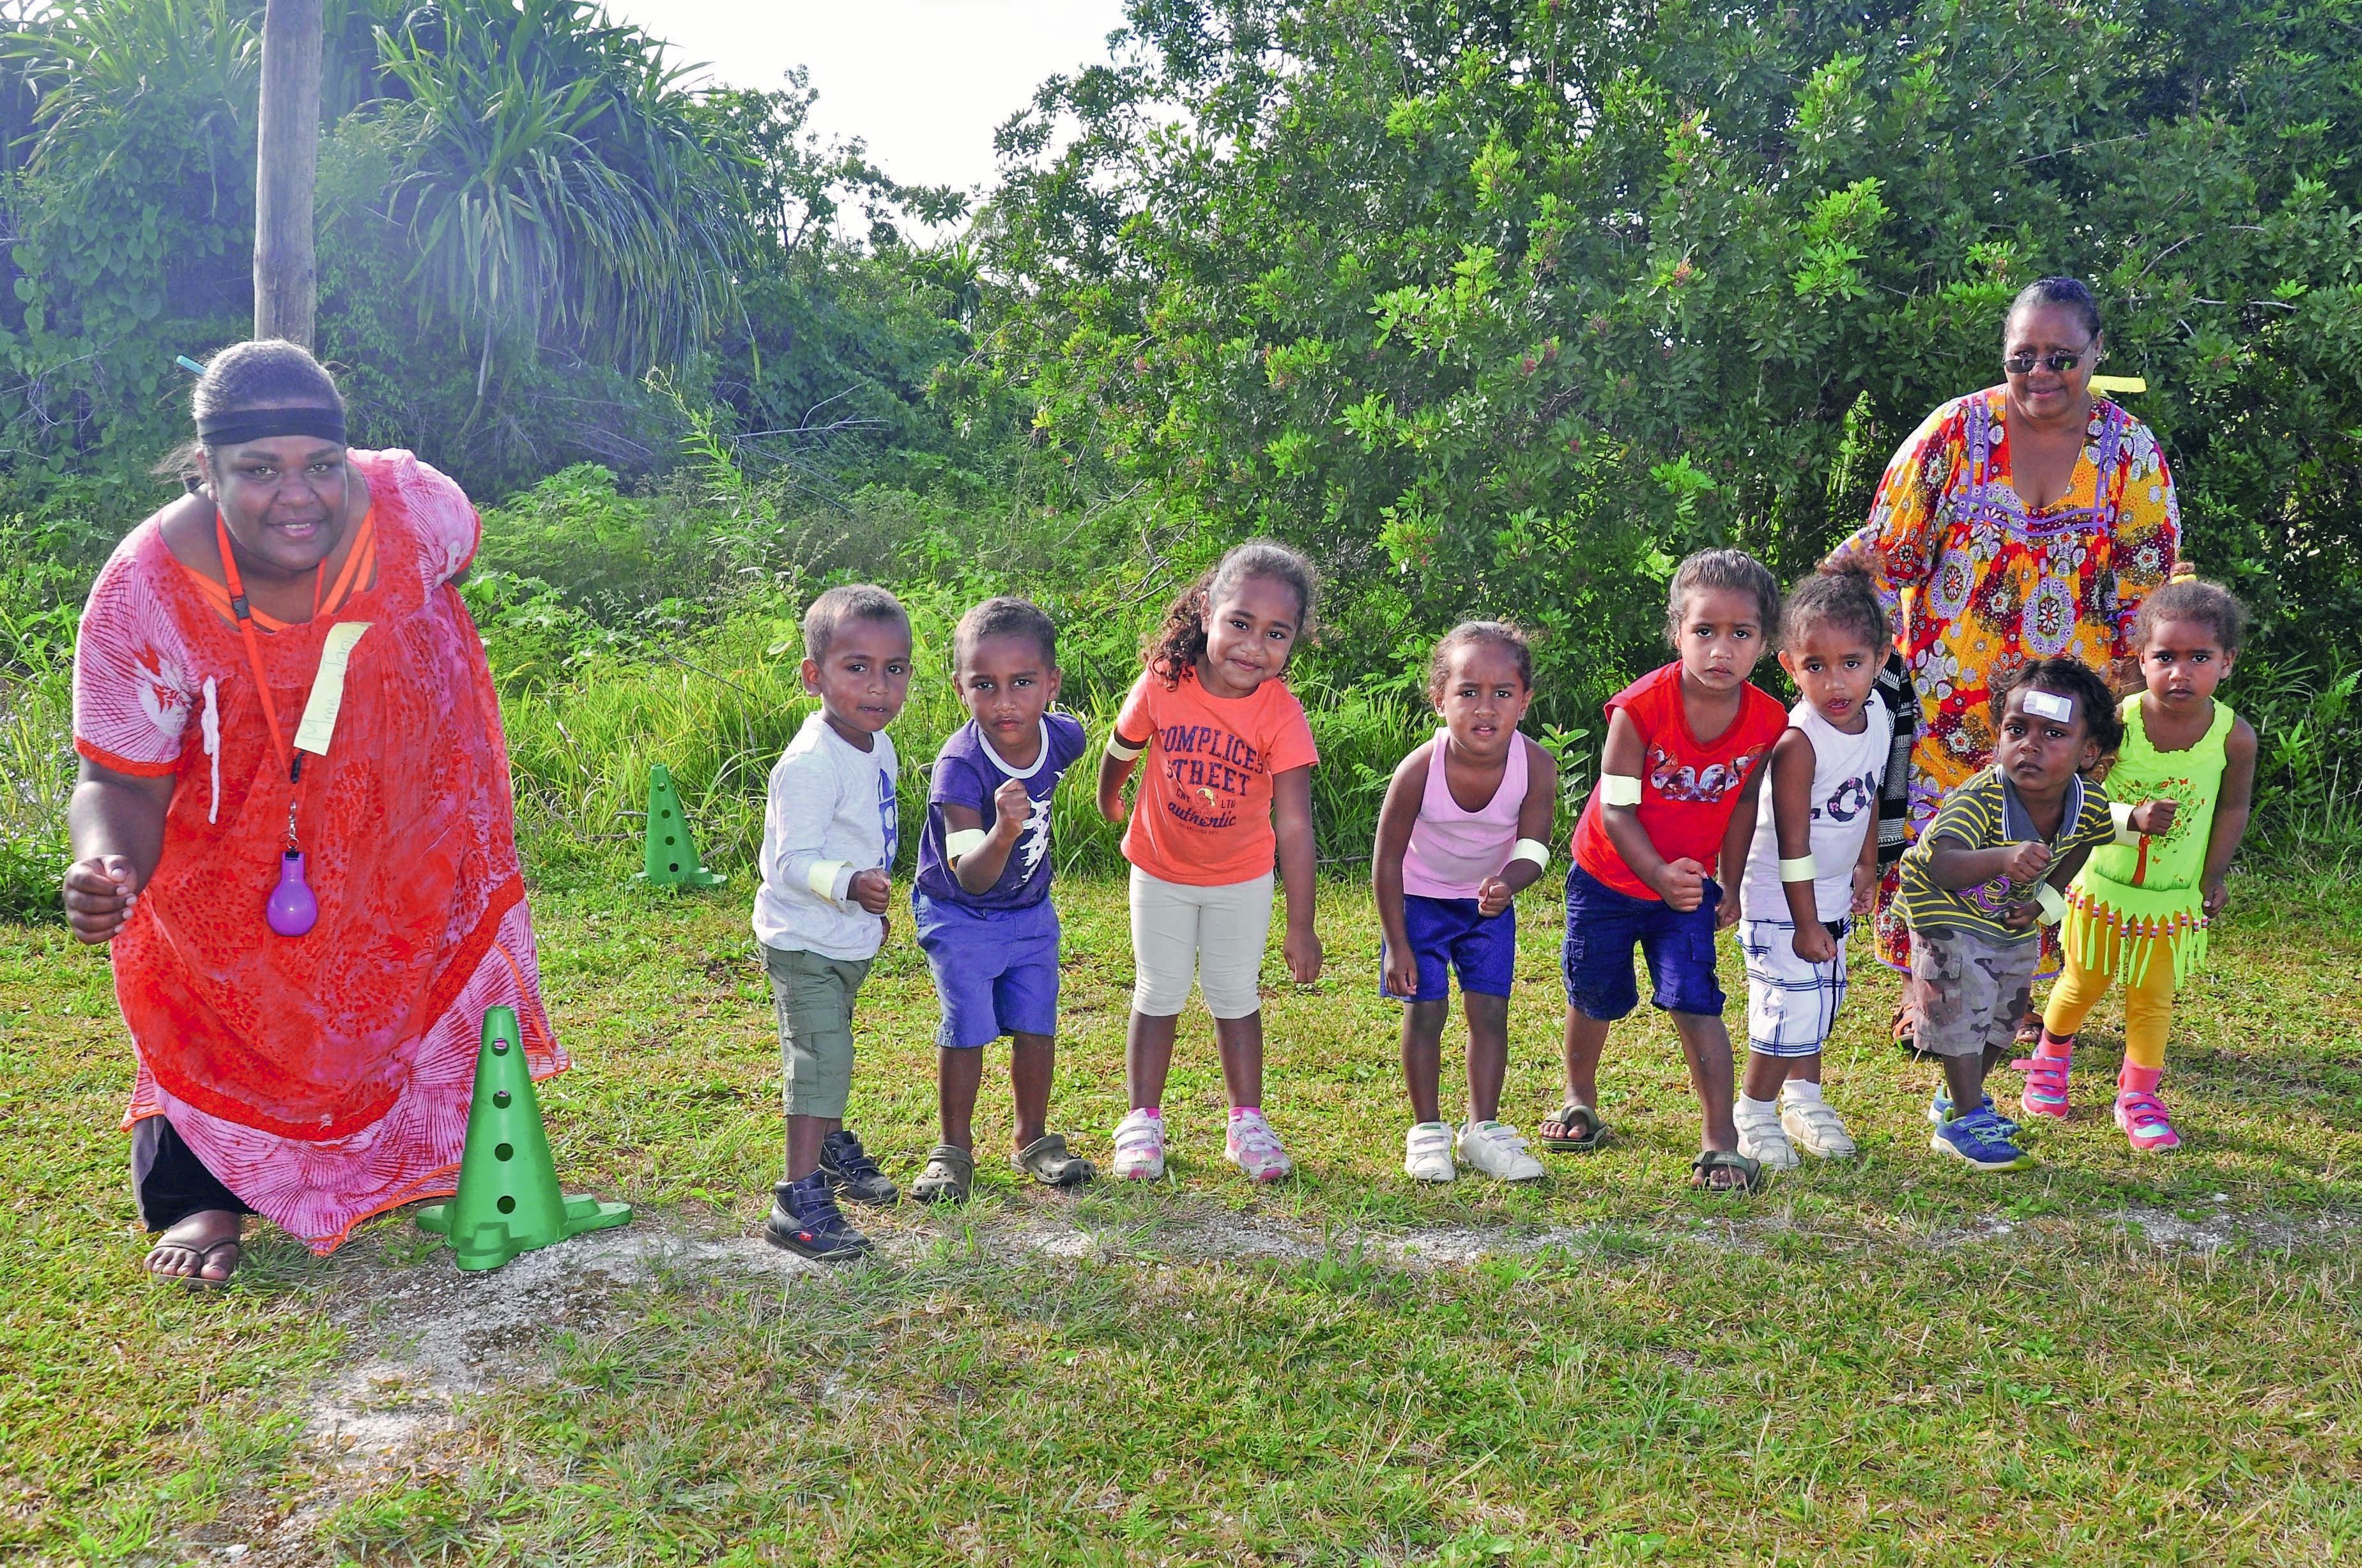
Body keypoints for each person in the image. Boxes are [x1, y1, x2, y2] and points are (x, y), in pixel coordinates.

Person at [62, 339, 560, 1284]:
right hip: (231, 821)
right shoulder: (145, 593)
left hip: (401, 795)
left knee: (405, 957)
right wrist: (106, 863)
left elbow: (454, 565)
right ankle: (199, 1191)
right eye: (259, 471)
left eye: (321, 466)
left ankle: (426, 1152)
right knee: (210, 980)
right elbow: (118, 779)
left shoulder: (419, 508)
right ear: (205, 470)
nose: (299, 496)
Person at [1836, 277, 2181, 1047]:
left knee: (2041, 838)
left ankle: (2018, 993)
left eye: (2062, 356)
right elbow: (1885, 553)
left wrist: (2138, 687)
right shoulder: (1954, 431)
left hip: (2062, 705)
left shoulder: (2130, 451)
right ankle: (1928, 989)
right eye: (2023, 356)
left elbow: (2148, 581)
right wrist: (1848, 652)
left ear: (2097, 353)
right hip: (1950, 695)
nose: (2041, 374)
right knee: (1941, 838)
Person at [1539, 549, 1788, 1193]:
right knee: (1595, 993)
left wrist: (1726, 880)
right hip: (1608, 877)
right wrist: (1655, 873)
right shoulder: (1641, 708)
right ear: (1677, 630)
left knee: (1695, 997)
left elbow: (1740, 808)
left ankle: (1721, 1142)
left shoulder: (1766, 720)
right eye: (1704, 630)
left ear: (1764, 641)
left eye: (1741, 633)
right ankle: (1579, 1095)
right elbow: (1617, 810)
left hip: (1684, 888)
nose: (1720, 649)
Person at [1097, 540, 1324, 1184]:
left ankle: (1245, 1122)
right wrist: (1108, 793)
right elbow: (1121, 743)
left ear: (1292, 642)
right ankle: (1142, 1119)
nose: (1253, 646)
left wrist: (1300, 924)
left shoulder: (1281, 713)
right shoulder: (1165, 682)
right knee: (1159, 988)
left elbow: (1295, 823)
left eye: (1275, 634)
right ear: (1206, 611)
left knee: (1233, 993)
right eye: (1240, 624)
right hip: (1160, 869)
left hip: (1241, 879)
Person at [2020, 570, 2256, 1150]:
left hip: (2169, 900)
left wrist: (2213, 874)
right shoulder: (2119, 722)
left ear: (2226, 661)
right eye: (2165, 656)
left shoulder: (2233, 737)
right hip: (2102, 887)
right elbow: (2079, 794)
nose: (2181, 671)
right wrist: (2129, 817)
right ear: (2140, 658)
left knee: (2153, 998)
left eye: (2198, 656)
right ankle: (2050, 1062)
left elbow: (2232, 807)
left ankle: (2138, 1095)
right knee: (2082, 981)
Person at [907, 597, 1097, 1203]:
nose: (1005, 701)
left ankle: (1033, 1139)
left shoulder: (1061, 735)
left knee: (1036, 1021)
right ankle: (953, 1150)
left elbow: (1088, 744)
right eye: (984, 685)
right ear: (960, 686)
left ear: (1051, 685)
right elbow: (969, 874)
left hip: (1031, 913)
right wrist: (1005, 831)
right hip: (960, 913)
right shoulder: (959, 766)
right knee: (968, 1025)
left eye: (1023, 683)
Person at [1898, 660, 2123, 1171]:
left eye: (2054, 733)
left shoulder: (2087, 801)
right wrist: (2001, 858)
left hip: (2007, 918)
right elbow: (1942, 864)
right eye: (2016, 730)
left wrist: (2046, 899)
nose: (2030, 744)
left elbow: (2086, 842)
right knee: (1960, 1008)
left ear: (2088, 752)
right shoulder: (1980, 798)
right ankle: (1965, 1122)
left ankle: (1959, 1097)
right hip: (1945, 912)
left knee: (2003, 1015)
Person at [753, 584, 910, 1260]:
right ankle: (798, 1199)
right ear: (813, 675)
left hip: (843, 934)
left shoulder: (874, 743)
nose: (878, 685)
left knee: (833, 1048)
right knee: (821, 1058)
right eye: (857, 667)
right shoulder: (812, 761)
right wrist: (849, 884)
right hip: (803, 940)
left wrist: (865, 908)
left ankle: (829, 1145)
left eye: (895, 668)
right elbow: (792, 861)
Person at [1372, 622, 1558, 1184]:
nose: (1486, 707)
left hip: (1487, 907)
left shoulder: (1537, 766)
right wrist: (1397, 944)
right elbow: (1385, 860)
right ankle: (1427, 1130)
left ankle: (1483, 1129)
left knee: (1489, 1013)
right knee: (1426, 1011)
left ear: (1524, 702)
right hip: (1420, 904)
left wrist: (1509, 881)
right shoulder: (1418, 770)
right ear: (1440, 700)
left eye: (1503, 693)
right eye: (1468, 692)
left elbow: (1535, 846)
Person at [1730, 564, 1890, 1169]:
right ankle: (1753, 1109)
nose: (1835, 682)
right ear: (1789, 667)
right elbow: (1790, 844)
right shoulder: (1797, 742)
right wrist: (1803, 922)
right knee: (1788, 1007)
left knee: (1822, 999)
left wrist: (1867, 863)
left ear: (1878, 658)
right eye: (1814, 666)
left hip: (1828, 889)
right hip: (1779, 895)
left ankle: (1803, 1097)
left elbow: (1869, 789)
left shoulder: (1877, 717)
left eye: (1851, 662)